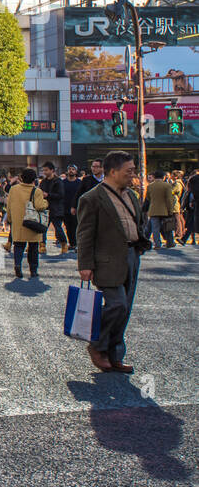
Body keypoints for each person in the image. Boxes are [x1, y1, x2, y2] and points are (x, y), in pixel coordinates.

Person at [77, 151, 150, 374]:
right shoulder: (91, 198)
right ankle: (97, 345)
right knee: (117, 304)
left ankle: (115, 354)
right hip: (106, 260)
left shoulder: (132, 196)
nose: (133, 175)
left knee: (125, 309)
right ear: (113, 171)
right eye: (129, 171)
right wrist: (85, 264)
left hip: (131, 256)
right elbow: (85, 234)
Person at [5, 167, 49, 280]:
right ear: (34, 179)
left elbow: (8, 206)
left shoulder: (14, 189)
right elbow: (39, 206)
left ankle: (18, 265)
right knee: (33, 247)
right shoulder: (37, 191)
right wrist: (46, 202)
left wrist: (9, 219)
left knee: (18, 246)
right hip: (32, 223)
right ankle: (33, 270)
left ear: (21, 178)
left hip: (18, 223)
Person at [38, 162, 68, 255]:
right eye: (43, 170)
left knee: (58, 228)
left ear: (52, 170)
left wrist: (48, 195)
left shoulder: (58, 181)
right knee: (43, 228)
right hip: (45, 208)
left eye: (46, 170)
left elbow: (61, 195)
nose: (44, 172)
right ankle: (42, 245)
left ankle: (64, 244)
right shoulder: (43, 182)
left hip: (56, 208)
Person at [145, 169, 178, 249]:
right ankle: (169, 242)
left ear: (154, 177)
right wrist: (170, 210)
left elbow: (148, 198)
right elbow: (169, 199)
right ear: (163, 177)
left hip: (153, 210)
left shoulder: (150, 186)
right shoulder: (167, 186)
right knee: (167, 227)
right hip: (165, 210)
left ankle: (157, 244)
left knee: (155, 228)